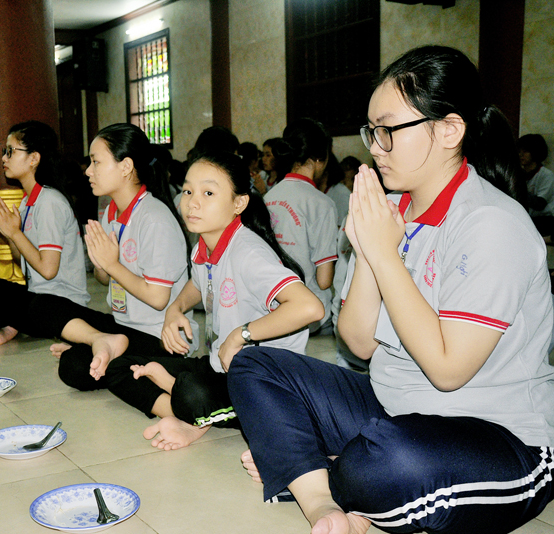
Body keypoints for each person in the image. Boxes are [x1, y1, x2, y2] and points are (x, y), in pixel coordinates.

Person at [228, 45, 554, 534]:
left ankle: (313, 465)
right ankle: (321, 500)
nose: (375, 147)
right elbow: (358, 345)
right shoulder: (394, 210)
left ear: (449, 130)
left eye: (387, 131)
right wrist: (368, 249)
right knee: (255, 365)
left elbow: (447, 370)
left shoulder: (491, 223)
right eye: (371, 131)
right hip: (393, 408)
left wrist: (383, 253)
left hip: (496, 436)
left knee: (385, 463)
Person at [103, 150, 324, 451]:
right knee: (120, 368)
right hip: (220, 366)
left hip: (266, 381)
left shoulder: (248, 252)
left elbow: (310, 307)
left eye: (208, 193)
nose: (192, 202)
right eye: (188, 191)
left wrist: (240, 335)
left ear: (239, 203)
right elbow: (197, 284)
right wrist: (175, 309)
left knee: (193, 393)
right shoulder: (204, 245)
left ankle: (193, 410)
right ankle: (192, 416)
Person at [46, 123, 196, 391]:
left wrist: (111, 264)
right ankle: (101, 345)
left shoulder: (154, 218)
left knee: (75, 365)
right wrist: (102, 264)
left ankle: (102, 350)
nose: (88, 171)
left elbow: (158, 298)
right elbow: (106, 279)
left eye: (96, 162)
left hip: (159, 335)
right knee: (50, 307)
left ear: (126, 166)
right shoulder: (111, 212)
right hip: (123, 325)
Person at [0, 121, 90, 345]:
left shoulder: (50, 202)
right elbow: (25, 266)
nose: (4, 158)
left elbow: (48, 270)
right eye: (5, 152)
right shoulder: (28, 202)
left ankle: (9, 323)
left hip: (62, 304)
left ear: (34, 158)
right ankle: (10, 324)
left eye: (10, 151)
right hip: (39, 296)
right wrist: (11, 235)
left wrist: (15, 233)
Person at [264, 118, 338, 335]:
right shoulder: (322, 204)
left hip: (272, 310)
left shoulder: (268, 197)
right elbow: (324, 280)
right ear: (320, 158)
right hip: (310, 318)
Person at [519, 134, 554, 237]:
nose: (521, 154)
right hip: (527, 220)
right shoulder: (520, 174)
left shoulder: (546, 175)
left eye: (525, 151)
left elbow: (540, 204)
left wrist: (519, 189)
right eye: (519, 151)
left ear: (535, 152)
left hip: (545, 221)